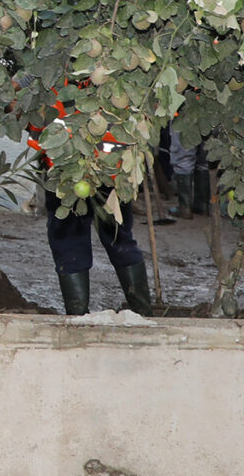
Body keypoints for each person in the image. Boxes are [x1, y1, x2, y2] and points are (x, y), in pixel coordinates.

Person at [29, 96, 155, 317]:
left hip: (67, 168)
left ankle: (78, 317)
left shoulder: (57, 72)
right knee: (118, 237)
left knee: (69, 240)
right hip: (111, 165)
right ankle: (142, 313)